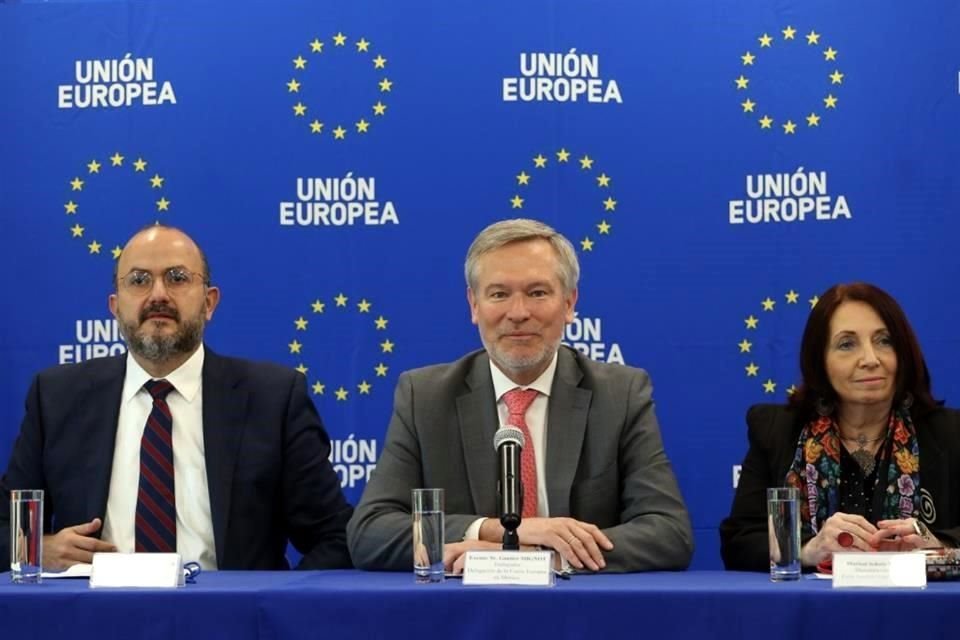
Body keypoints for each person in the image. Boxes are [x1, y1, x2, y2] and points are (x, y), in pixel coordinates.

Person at [347, 218, 693, 573]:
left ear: (570, 303)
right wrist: (495, 534)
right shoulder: (426, 397)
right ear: (474, 305)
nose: (518, 313)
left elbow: (668, 533)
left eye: (537, 293)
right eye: (499, 294)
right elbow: (370, 532)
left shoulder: (620, 394)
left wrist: (541, 558)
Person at [0, 224, 353, 571]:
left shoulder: (273, 399)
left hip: (228, 621)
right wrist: (34, 549)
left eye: (177, 278)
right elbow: (6, 527)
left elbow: (335, 536)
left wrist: (276, 606)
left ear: (209, 302)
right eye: (139, 280)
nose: (158, 295)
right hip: (95, 618)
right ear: (115, 306)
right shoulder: (58, 397)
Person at [720, 282, 960, 571]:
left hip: (919, 611)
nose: (870, 360)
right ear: (820, 360)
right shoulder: (777, 430)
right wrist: (808, 549)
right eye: (847, 344)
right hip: (810, 611)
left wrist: (938, 547)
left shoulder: (950, 433)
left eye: (884, 341)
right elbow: (739, 542)